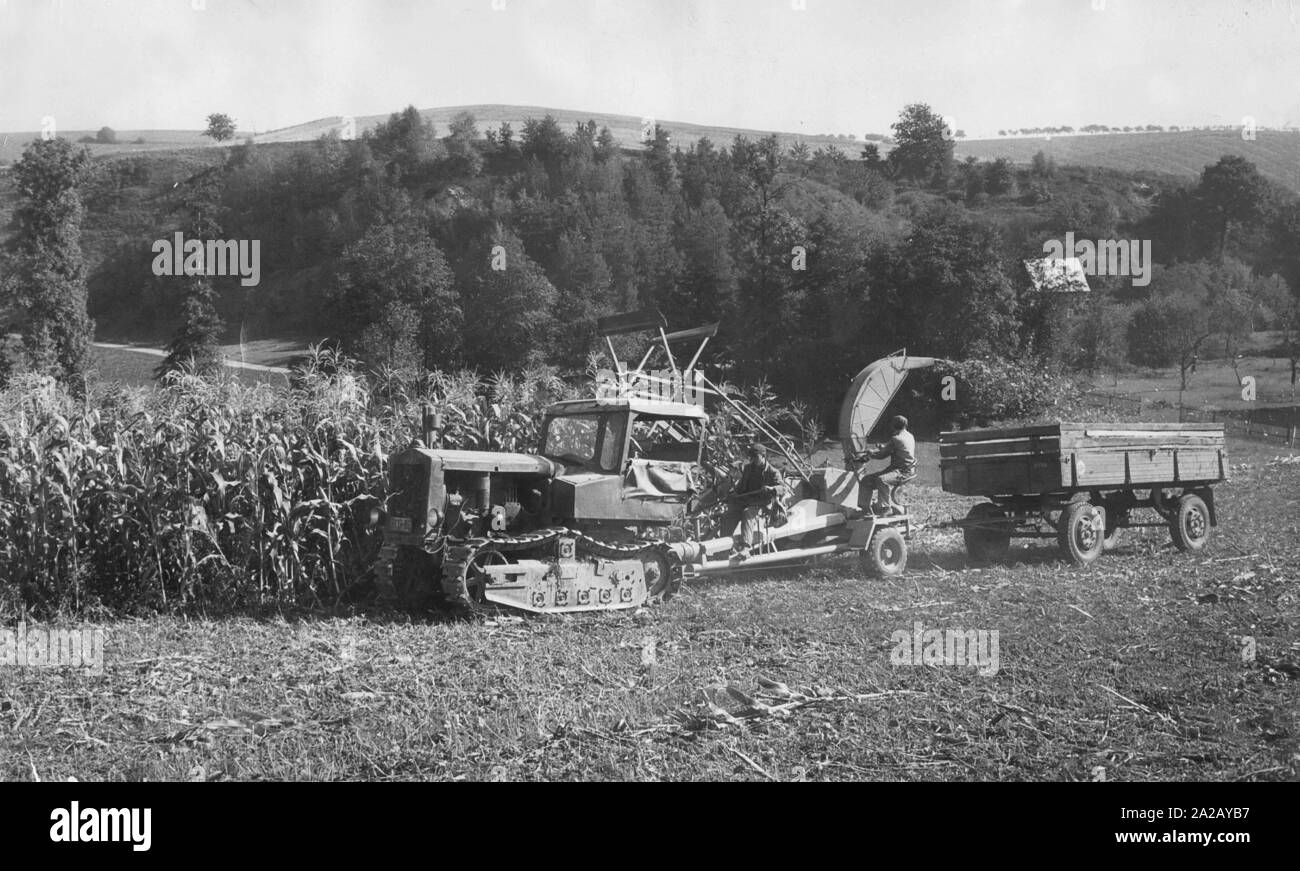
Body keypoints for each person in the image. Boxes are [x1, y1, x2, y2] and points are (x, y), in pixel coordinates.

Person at [719, 443, 781, 560]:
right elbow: (741, 487)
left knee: (748, 513)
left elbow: (783, 488)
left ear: (763, 456)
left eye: (756, 457)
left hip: (761, 504)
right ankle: (723, 548)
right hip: (745, 500)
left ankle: (745, 548)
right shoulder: (748, 468)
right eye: (751, 457)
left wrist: (772, 489)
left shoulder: (773, 472)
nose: (753, 460)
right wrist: (733, 494)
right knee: (728, 515)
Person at [857, 414, 916, 515]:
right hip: (902, 469)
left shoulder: (896, 439)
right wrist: (884, 447)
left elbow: (882, 455)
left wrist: (871, 453)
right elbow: (899, 449)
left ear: (893, 426)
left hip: (902, 471)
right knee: (866, 480)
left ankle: (885, 508)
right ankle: (865, 509)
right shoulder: (909, 436)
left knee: (882, 480)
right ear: (905, 425)